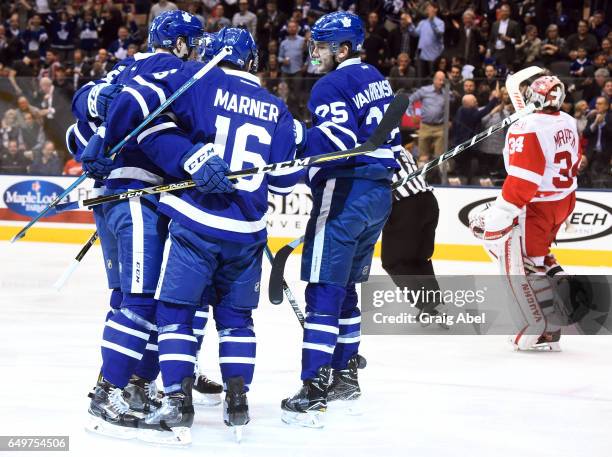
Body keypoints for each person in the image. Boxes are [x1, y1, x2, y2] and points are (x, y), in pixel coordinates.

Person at [103, 27, 301, 441]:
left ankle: (177, 401)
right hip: (248, 234)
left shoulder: (202, 81)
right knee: (236, 320)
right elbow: (285, 180)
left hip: (197, 224)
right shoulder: (277, 106)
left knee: (175, 312)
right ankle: (237, 399)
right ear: (252, 61)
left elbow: (149, 115)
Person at [71, 10, 215, 442]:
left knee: (128, 299)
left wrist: (94, 136)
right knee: (142, 301)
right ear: (182, 43)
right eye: (194, 41)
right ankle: (110, 390)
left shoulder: (124, 68)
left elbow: (80, 116)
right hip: (139, 198)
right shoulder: (181, 73)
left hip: (112, 199)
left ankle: (132, 383)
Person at [280, 11, 401, 428]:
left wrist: (294, 139)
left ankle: (314, 386)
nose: (316, 53)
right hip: (378, 194)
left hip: (345, 190)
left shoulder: (331, 84)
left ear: (344, 49)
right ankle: (346, 375)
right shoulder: (376, 79)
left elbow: (338, 139)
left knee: (324, 290)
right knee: (346, 288)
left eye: (323, 46)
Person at [469, 75, 580, 352]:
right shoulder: (568, 120)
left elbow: (523, 180)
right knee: (538, 257)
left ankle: (543, 328)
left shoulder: (526, 127)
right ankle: (560, 283)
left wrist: (503, 211)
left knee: (524, 264)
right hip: (564, 200)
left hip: (536, 206)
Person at [408, 71, 448, 160]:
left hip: (440, 127)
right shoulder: (424, 90)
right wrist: (412, 115)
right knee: (423, 156)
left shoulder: (447, 93)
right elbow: (410, 100)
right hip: (425, 126)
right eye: (440, 80)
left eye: (443, 80)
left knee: (440, 157)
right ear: (434, 80)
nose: (442, 82)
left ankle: (439, 174)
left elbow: (452, 105)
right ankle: (423, 174)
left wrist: (450, 119)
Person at [407, 2, 445, 78]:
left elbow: (439, 34)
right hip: (422, 55)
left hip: (434, 55)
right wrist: (410, 24)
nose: (428, 9)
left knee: (433, 77)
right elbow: (415, 34)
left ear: (435, 9)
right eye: (427, 8)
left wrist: (432, 22)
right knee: (420, 77)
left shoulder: (440, 22)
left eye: (430, 7)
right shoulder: (422, 22)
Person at [487, 4, 521, 69]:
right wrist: (488, 50)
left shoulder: (514, 24)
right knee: (495, 70)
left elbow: (519, 40)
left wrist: (509, 39)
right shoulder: (495, 24)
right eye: (502, 11)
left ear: (509, 12)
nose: (504, 13)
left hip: (507, 53)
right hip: (496, 52)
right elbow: (491, 40)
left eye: (506, 11)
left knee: (506, 72)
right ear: (500, 12)